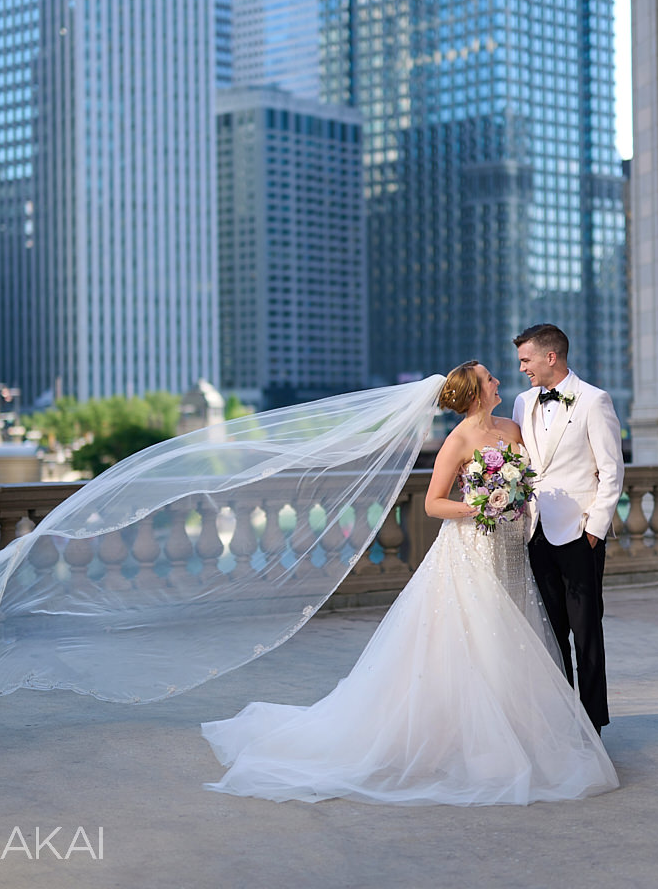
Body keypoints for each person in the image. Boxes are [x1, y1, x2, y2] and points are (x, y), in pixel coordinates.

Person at [202, 360, 618, 805]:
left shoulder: (513, 428)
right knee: (476, 641)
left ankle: (521, 731)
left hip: (513, 550)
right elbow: (434, 504)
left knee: (515, 637)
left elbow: (541, 474)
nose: (499, 381)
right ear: (477, 393)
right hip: (473, 546)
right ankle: (474, 740)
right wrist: (481, 507)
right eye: (490, 379)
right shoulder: (457, 441)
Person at [512, 324, 624, 734]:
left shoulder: (595, 401)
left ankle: (593, 724)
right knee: (551, 632)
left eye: (526, 359)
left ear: (550, 357)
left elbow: (612, 471)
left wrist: (593, 530)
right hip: (536, 532)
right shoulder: (522, 402)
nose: (522, 367)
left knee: (586, 633)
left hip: (579, 534)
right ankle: (562, 720)